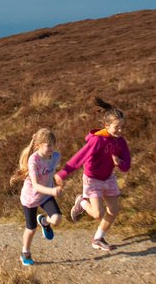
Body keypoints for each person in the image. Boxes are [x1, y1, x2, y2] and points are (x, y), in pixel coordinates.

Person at [55, 97, 131, 252]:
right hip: (92, 179)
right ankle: (81, 202)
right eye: (117, 127)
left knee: (114, 210)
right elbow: (80, 157)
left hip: (108, 178)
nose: (120, 130)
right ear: (106, 125)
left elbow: (126, 165)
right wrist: (63, 173)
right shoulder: (97, 141)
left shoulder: (121, 142)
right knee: (97, 214)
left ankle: (97, 239)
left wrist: (119, 163)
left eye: (122, 127)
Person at [10, 127, 64, 266]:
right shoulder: (33, 161)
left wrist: (58, 177)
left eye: (53, 144)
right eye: (48, 145)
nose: (52, 148)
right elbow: (35, 185)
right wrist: (52, 191)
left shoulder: (56, 157)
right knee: (31, 228)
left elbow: (57, 170)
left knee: (57, 219)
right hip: (31, 198)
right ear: (38, 145)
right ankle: (25, 252)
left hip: (45, 195)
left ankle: (44, 222)